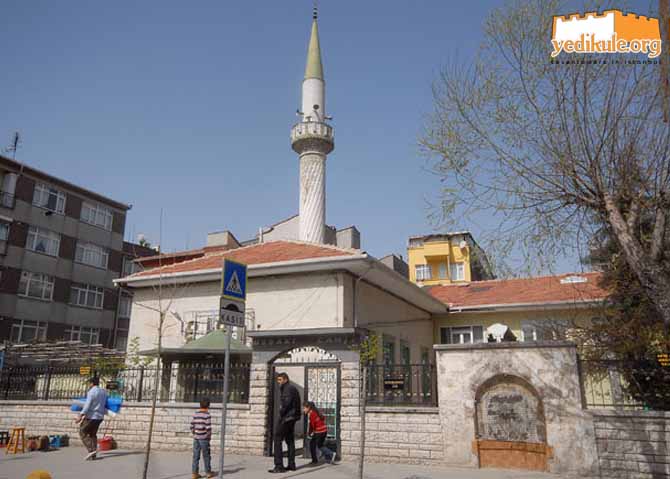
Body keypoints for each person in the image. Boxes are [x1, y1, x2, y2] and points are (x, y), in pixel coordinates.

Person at [269, 372, 301, 473]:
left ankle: (279, 466)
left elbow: (286, 404)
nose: (278, 382)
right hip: (292, 417)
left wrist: (281, 412)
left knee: (277, 438)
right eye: (278, 380)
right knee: (290, 440)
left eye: (280, 380)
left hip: (287, 418)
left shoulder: (287, 388)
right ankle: (291, 465)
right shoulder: (292, 388)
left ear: (285, 379)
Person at [77, 376, 108, 461]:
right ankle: (93, 455)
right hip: (100, 417)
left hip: (91, 416)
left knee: (82, 432)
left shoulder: (91, 392)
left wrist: (81, 415)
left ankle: (91, 450)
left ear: (91, 383)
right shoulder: (103, 392)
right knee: (92, 434)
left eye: (89, 383)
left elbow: (87, 405)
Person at [190, 398, 215, 479]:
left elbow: (191, 426)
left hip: (196, 438)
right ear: (208, 406)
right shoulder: (207, 415)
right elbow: (208, 428)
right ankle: (208, 472)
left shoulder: (195, 414)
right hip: (204, 438)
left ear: (200, 405)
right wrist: (209, 436)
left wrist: (195, 433)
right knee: (206, 455)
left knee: (195, 456)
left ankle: (194, 473)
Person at [303, 401, 334, 465]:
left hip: (319, 432)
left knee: (312, 444)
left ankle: (317, 459)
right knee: (320, 445)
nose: (304, 410)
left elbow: (312, 425)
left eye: (304, 408)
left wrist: (309, 433)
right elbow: (322, 419)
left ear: (309, 408)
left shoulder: (312, 414)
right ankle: (329, 455)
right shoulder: (316, 412)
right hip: (324, 431)